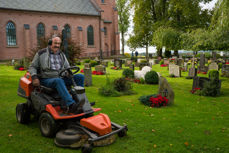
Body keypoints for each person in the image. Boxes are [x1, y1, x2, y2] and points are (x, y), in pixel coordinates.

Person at [29, 36, 85, 113]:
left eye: (59, 43)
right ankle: (71, 105)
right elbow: (32, 66)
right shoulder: (41, 53)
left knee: (80, 77)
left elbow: (67, 67)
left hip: (61, 78)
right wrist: (34, 77)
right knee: (58, 81)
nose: (57, 45)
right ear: (50, 43)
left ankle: (81, 101)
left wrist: (69, 73)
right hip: (46, 79)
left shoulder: (62, 54)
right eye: (55, 43)